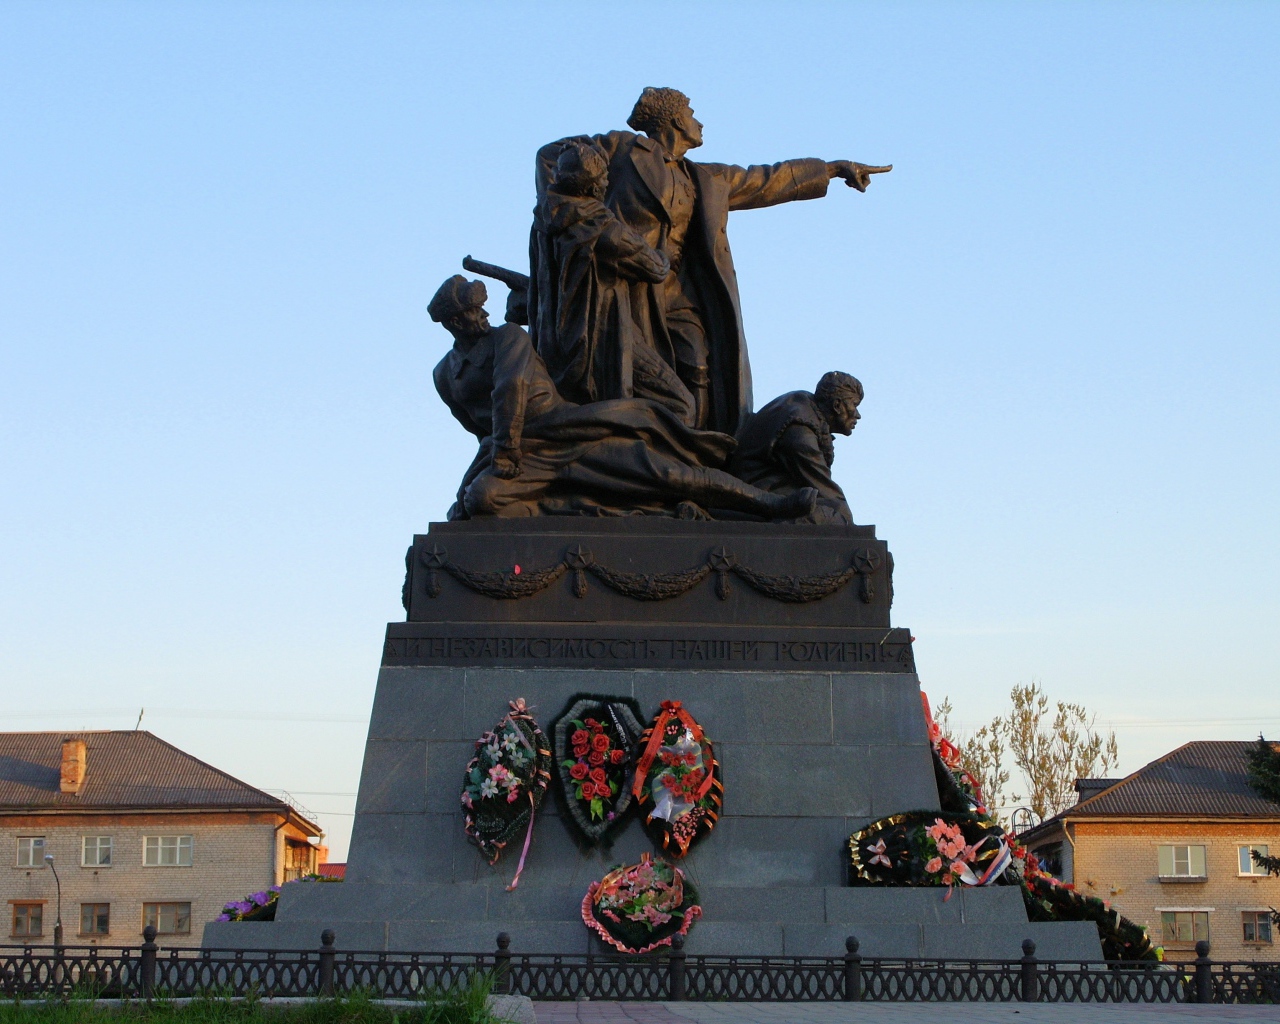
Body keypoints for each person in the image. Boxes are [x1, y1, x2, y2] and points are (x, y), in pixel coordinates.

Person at [531, 87, 890, 434]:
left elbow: (765, 179)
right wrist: (571, 212)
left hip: (681, 291)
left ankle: (694, 450)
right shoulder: (621, 147)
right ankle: (633, 449)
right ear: (672, 120)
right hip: (628, 283)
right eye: (691, 114)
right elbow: (550, 155)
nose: (698, 122)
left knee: (699, 363)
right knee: (626, 373)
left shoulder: (706, 178)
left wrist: (831, 168)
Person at [429, 275, 817, 521]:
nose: (480, 316)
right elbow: (474, 423)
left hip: (565, 431)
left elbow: (510, 392)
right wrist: (500, 457)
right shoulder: (444, 374)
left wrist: (504, 453)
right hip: (522, 454)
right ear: (452, 321)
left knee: (663, 472)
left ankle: (768, 504)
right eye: (469, 311)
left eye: (480, 308)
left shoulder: (507, 338)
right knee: (479, 499)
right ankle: (584, 508)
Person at [531, 141, 696, 425]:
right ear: (593, 186)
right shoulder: (599, 226)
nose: (607, 182)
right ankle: (628, 454)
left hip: (555, 345)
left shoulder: (542, 221)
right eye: (604, 177)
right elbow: (654, 268)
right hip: (601, 338)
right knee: (680, 404)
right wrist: (664, 254)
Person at [730, 371, 864, 524]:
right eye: (855, 405)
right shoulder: (800, 429)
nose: (858, 415)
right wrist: (848, 520)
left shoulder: (804, 407)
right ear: (837, 405)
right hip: (759, 494)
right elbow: (823, 486)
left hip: (768, 489)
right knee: (835, 519)